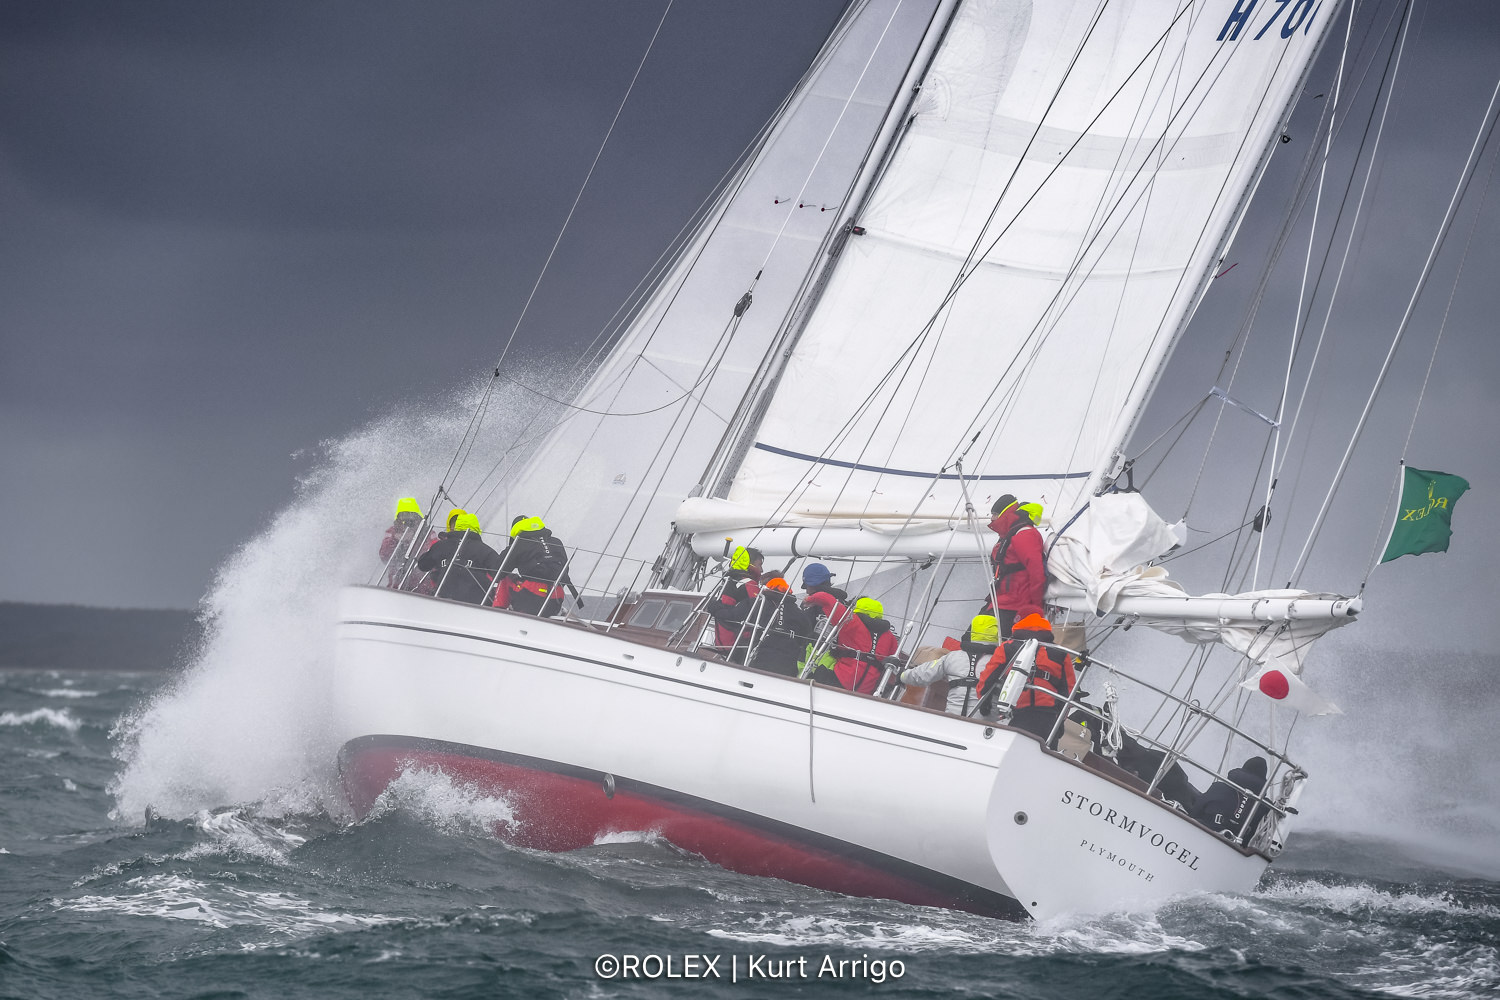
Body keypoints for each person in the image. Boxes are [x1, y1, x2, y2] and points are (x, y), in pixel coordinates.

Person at [975, 613, 1076, 739]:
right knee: (1046, 748)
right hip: (1048, 716)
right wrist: (1060, 719)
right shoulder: (1060, 653)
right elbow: (1069, 690)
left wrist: (984, 701)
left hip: (1018, 712)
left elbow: (987, 678)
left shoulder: (1007, 648)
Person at [897, 615, 1000, 716]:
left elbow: (924, 673)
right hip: (983, 727)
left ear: (972, 631)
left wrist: (902, 675)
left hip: (952, 720)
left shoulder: (952, 657)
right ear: (996, 633)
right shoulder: (1001, 663)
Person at [712, 576, 812, 677]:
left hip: (760, 660)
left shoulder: (757, 603)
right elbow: (806, 638)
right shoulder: (800, 614)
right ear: (788, 592)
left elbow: (731, 616)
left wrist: (714, 607)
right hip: (789, 665)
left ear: (767, 589)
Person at [981, 494, 1046, 636]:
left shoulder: (1025, 534)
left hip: (1013, 605)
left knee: (978, 640)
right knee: (973, 638)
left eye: (995, 514)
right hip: (1002, 602)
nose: (992, 518)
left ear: (1006, 513)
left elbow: (1036, 572)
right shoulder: (1011, 534)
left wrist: (1035, 607)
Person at [416, 509, 502, 605]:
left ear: (456, 526)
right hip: (476, 604)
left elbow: (423, 565)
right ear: (477, 528)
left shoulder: (441, 546)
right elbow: (500, 572)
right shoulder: (484, 550)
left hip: (443, 600)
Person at [492, 515, 571, 617]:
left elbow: (496, 572)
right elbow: (565, 573)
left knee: (505, 577)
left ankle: (497, 614)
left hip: (532, 597)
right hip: (556, 596)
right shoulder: (557, 541)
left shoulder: (519, 544)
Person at [830, 596, 900, 695]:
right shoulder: (890, 637)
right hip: (867, 690)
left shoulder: (851, 622)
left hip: (840, 680)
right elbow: (893, 661)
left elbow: (826, 600)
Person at [1194, 756, 1269, 840]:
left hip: (1203, 832)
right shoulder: (1264, 806)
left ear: (1244, 768)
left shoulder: (1218, 787)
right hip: (1234, 845)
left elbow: (1196, 810)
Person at [379, 497, 436, 592]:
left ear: (418, 517)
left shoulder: (428, 532)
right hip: (396, 587)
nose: (407, 522)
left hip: (423, 588)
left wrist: (414, 541)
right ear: (398, 518)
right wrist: (397, 540)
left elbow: (434, 555)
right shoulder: (392, 532)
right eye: (403, 517)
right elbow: (384, 556)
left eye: (411, 517)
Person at [713, 546, 763, 654]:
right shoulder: (749, 584)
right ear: (750, 564)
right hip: (739, 645)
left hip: (723, 643)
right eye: (760, 565)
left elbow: (726, 609)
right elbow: (756, 612)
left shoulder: (729, 582)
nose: (762, 570)